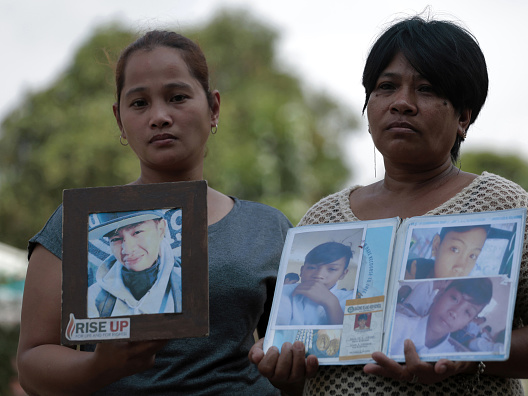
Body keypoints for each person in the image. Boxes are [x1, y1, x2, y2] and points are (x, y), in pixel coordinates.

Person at [249, 14, 528, 396]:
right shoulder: (323, 218)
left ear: (464, 117)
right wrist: (286, 371)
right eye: (386, 87)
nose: (402, 103)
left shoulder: (501, 205)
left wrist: (471, 353)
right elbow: (301, 368)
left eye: (427, 89)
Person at [17, 30, 292, 395]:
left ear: (213, 108)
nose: (160, 116)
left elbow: (296, 348)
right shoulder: (77, 222)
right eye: (139, 103)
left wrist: (291, 368)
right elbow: (33, 363)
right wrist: (98, 366)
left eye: (177, 97)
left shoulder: (266, 227)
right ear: (119, 120)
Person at [87, 210, 181, 318]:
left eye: (137, 232)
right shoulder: (93, 298)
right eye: (116, 239)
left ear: (160, 230)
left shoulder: (189, 285)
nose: (127, 249)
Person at [389, 278, 492, 356]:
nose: (454, 312)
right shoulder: (395, 326)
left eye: (467, 312)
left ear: (467, 323)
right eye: (454, 298)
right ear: (438, 296)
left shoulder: (450, 357)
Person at [276, 241, 353, 326]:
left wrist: (331, 303)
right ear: (302, 271)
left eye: (332, 269)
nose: (319, 275)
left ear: (342, 274)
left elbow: (350, 335)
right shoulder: (282, 292)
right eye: (312, 267)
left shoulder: (351, 298)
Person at [405, 224, 490, 279]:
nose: (460, 268)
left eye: (472, 256)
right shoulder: (411, 270)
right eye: (455, 249)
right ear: (436, 246)